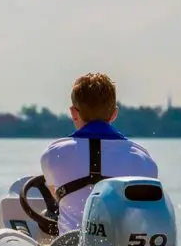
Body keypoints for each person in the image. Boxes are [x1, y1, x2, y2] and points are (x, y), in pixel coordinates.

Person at [40, 72, 159, 236]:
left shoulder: (53, 154)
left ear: (74, 113)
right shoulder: (143, 160)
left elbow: (56, 196)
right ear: (114, 114)